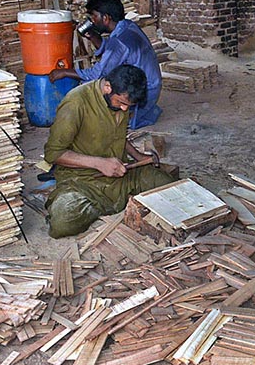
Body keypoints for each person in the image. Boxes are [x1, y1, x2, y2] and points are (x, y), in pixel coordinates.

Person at [44, 65, 173, 238]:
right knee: (63, 222)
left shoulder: (119, 102)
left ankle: (111, 204)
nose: (125, 109)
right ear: (107, 87)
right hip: (83, 180)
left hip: (122, 173)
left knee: (171, 188)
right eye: (121, 103)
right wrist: (99, 163)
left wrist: (139, 157)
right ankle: (100, 205)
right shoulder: (76, 103)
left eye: (129, 105)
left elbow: (118, 134)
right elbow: (53, 153)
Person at [49, 0, 162, 129]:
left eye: (94, 17)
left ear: (106, 18)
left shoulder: (119, 43)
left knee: (93, 87)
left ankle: (126, 117)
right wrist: (92, 36)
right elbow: (113, 50)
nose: (92, 21)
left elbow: (96, 74)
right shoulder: (128, 26)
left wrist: (65, 72)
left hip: (144, 94)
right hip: (153, 85)